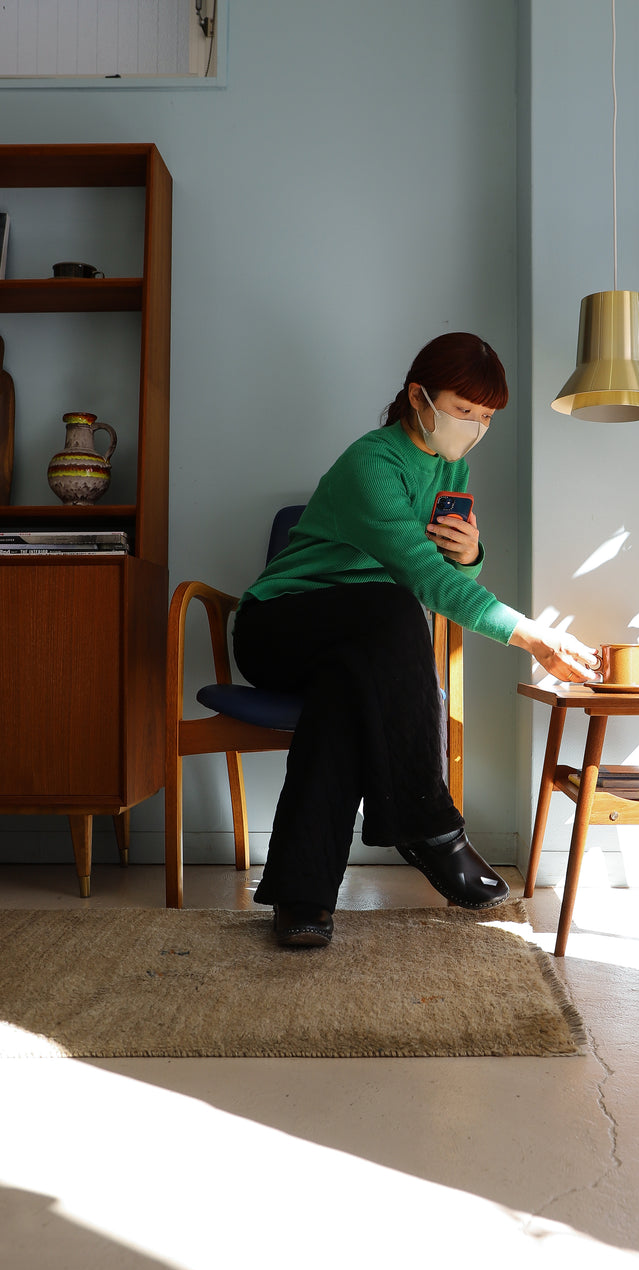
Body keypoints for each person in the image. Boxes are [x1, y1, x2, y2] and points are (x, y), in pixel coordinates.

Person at [232, 332, 599, 947]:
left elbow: (447, 571)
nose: (473, 428)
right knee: (393, 604)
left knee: (345, 697)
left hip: (361, 641)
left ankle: (302, 898)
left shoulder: (453, 466)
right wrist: (533, 636)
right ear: (418, 396)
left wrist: (473, 553)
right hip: (281, 625)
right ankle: (431, 827)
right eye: (463, 411)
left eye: (485, 418)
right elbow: (421, 576)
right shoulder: (368, 464)